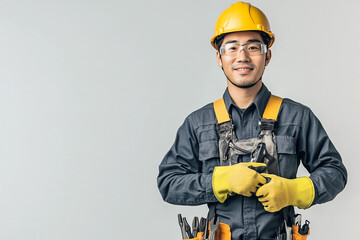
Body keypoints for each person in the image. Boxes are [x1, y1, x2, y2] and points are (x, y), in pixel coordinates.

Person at [157, 2, 347, 240]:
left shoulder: (297, 118)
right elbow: (168, 182)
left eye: (253, 47)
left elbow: (335, 173)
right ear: (219, 57)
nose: (242, 57)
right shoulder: (197, 124)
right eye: (232, 47)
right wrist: (220, 181)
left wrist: (293, 191)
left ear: (267, 56)